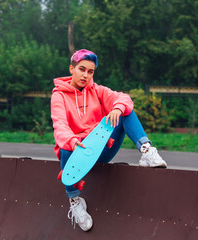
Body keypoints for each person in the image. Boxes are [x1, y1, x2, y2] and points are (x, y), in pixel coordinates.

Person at [50, 49, 167, 231]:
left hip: (102, 150)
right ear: (71, 69)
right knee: (65, 145)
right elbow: (60, 125)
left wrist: (117, 109)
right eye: (82, 69)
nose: (86, 75)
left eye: (91, 71)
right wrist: (73, 141)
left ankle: (147, 151)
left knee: (124, 110)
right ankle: (74, 200)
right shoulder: (59, 95)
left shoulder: (96, 90)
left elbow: (124, 98)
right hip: (78, 155)